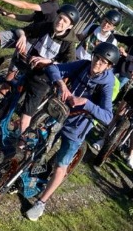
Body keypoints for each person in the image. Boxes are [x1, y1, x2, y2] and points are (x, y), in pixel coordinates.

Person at [25, 43, 119, 221]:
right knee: (37, 144)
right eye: (97, 57)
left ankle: (41, 203)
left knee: (61, 164)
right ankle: (27, 174)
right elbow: (53, 68)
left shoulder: (107, 83)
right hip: (58, 114)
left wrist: (86, 103)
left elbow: (107, 117)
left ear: (109, 66)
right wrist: (62, 84)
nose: (97, 63)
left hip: (77, 127)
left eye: (103, 62)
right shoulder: (83, 65)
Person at [14, 5, 80, 135]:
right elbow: (23, 30)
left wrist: (50, 61)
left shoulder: (69, 43)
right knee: (8, 98)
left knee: (25, 117)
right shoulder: (46, 26)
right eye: (60, 18)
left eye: (65, 21)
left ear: (70, 26)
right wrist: (22, 36)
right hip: (29, 67)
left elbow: (70, 65)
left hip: (44, 78)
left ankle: (21, 143)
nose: (60, 22)